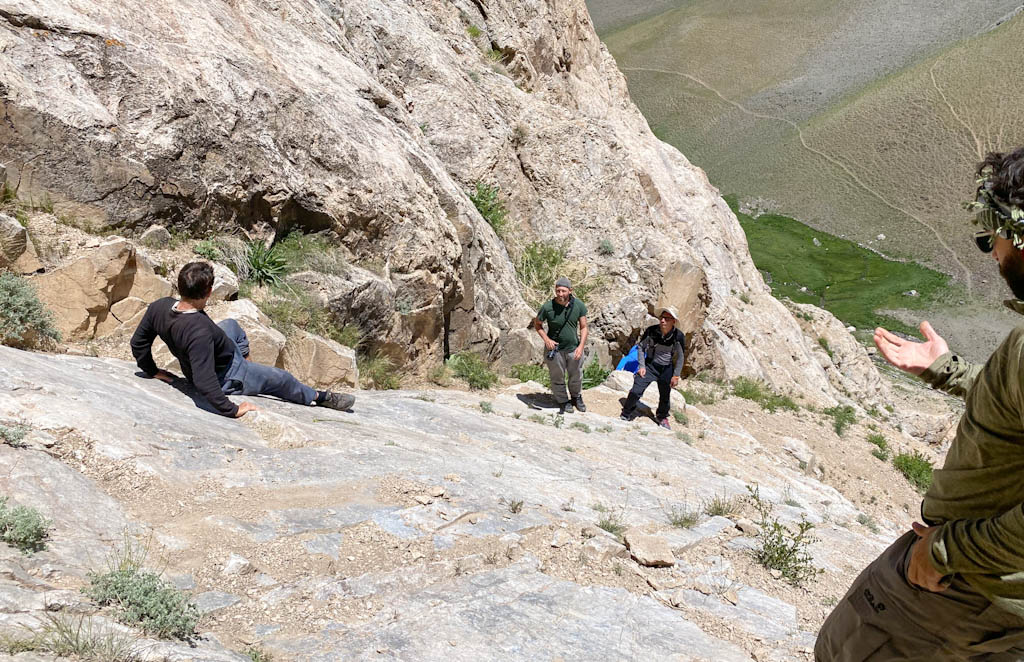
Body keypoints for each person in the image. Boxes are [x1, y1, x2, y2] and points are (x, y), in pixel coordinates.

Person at [816, 147, 1024, 661]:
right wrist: (947, 370)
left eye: (993, 229)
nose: (990, 250)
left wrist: (945, 552)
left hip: (963, 588)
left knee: (844, 649)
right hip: (996, 599)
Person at [130, 261, 355, 418]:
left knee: (232, 325)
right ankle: (319, 396)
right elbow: (203, 381)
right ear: (208, 292)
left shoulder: (160, 306)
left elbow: (137, 342)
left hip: (222, 354)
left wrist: (150, 370)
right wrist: (233, 410)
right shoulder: (199, 332)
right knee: (282, 378)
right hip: (227, 376)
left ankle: (247, 365)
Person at [620, 306, 685, 428]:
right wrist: (642, 366)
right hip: (650, 366)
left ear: (673, 321)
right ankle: (626, 412)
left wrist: (676, 375)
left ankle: (662, 416)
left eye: (667, 319)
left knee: (665, 395)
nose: (662, 321)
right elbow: (640, 347)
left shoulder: (678, 336)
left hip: (666, 368)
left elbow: (680, 357)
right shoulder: (651, 331)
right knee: (636, 390)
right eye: (662, 317)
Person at [534, 276, 589, 414]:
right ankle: (563, 401)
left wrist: (581, 347)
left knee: (576, 375)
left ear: (570, 291)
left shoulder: (579, 305)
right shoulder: (548, 307)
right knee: (557, 376)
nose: (560, 294)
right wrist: (546, 339)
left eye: (563, 291)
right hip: (555, 350)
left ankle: (576, 398)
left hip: (573, 348)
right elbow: (537, 324)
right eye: (558, 291)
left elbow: (584, 327)